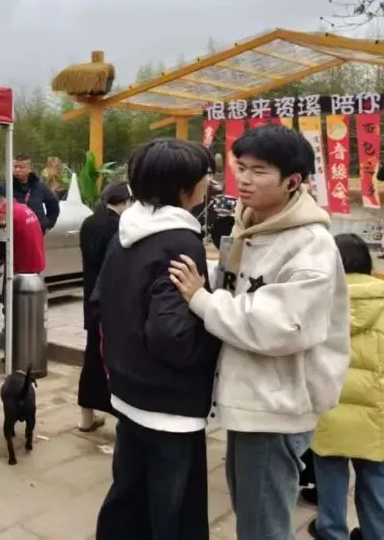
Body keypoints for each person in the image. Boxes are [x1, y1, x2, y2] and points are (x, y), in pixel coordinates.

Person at [169, 124, 351, 540]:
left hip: (277, 404)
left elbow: (279, 325)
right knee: (250, 510)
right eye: (241, 167)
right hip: (250, 396)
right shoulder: (250, 225)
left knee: (263, 525)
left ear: (292, 181)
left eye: (259, 171)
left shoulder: (310, 245)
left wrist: (201, 299)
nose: (245, 179)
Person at [93, 141, 221, 540]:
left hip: (127, 390)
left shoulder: (125, 232)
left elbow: (100, 301)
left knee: (128, 499)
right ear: (184, 187)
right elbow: (171, 334)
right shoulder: (181, 241)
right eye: (205, 176)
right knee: (172, 515)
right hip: (170, 404)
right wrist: (214, 341)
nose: (209, 182)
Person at [307, 234, 384, 540]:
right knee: (376, 479)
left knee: (330, 475)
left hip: (330, 408)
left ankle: (331, 531)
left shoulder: (320, 303)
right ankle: (377, 534)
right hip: (376, 414)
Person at [77, 180, 131, 433]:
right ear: (125, 203)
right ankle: (122, 419)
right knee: (113, 361)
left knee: (91, 358)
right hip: (111, 303)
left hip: (90, 300)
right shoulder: (120, 228)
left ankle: (85, 418)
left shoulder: (89, 222)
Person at [0, 184, 46, 274]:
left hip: (21, 267)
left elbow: (2, 248)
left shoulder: (3, 214)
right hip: (37, 263)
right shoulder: (23, 207)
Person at [11, 153, 61, 233]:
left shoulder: (39, 187)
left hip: (36, 232)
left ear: (29, 168)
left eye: (21, 167)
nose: (17, 170)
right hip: (14, 233)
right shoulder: (6, 188)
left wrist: (47, 223)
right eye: (15, 167)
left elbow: (53, 205)